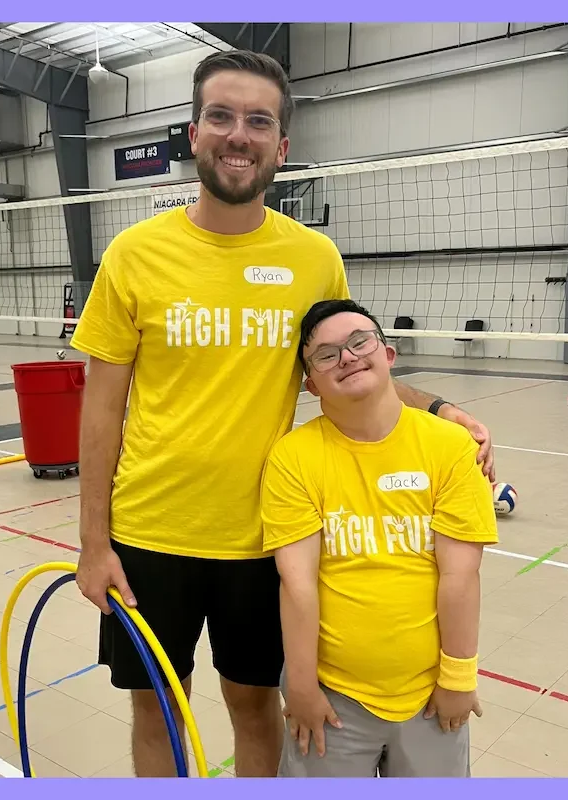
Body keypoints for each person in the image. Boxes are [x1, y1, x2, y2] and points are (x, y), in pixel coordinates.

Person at [71, 49, 495, 778]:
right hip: (149, 534)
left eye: (258, 121)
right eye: (222, 116)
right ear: (193, 133)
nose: (239, 134)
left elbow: (347, 367)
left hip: (266, 536)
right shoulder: (133, 255)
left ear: (282, 146)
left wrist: (443, 407)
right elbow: (101, 409)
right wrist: (92, 543)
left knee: (253, 702)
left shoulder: (313, 258)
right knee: (156, 710)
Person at [260, 299, 499, 778]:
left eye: (358, 342)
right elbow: (298, 584)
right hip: (332, 696)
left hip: (432, 693)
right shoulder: (294, 457)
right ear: (311, 384)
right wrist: (303, 687)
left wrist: (457, 677)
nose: (347, 357)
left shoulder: (449, 447)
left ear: (387, 353)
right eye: (326, 355)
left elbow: (460, 576)